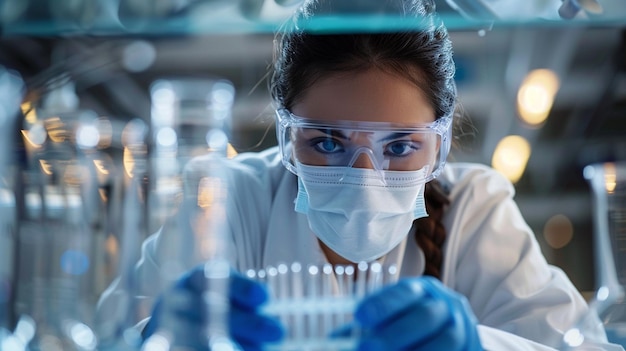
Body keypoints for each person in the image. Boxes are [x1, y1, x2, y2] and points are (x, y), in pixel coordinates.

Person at [97, 0, 622, 350]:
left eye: (400, 146)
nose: (365, 180)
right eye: (327, 141)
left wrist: (481, 345)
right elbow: (93, 338)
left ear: (438, 146)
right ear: (287, 139)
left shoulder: (472, 208)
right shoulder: (230, 197)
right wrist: (154, 337)